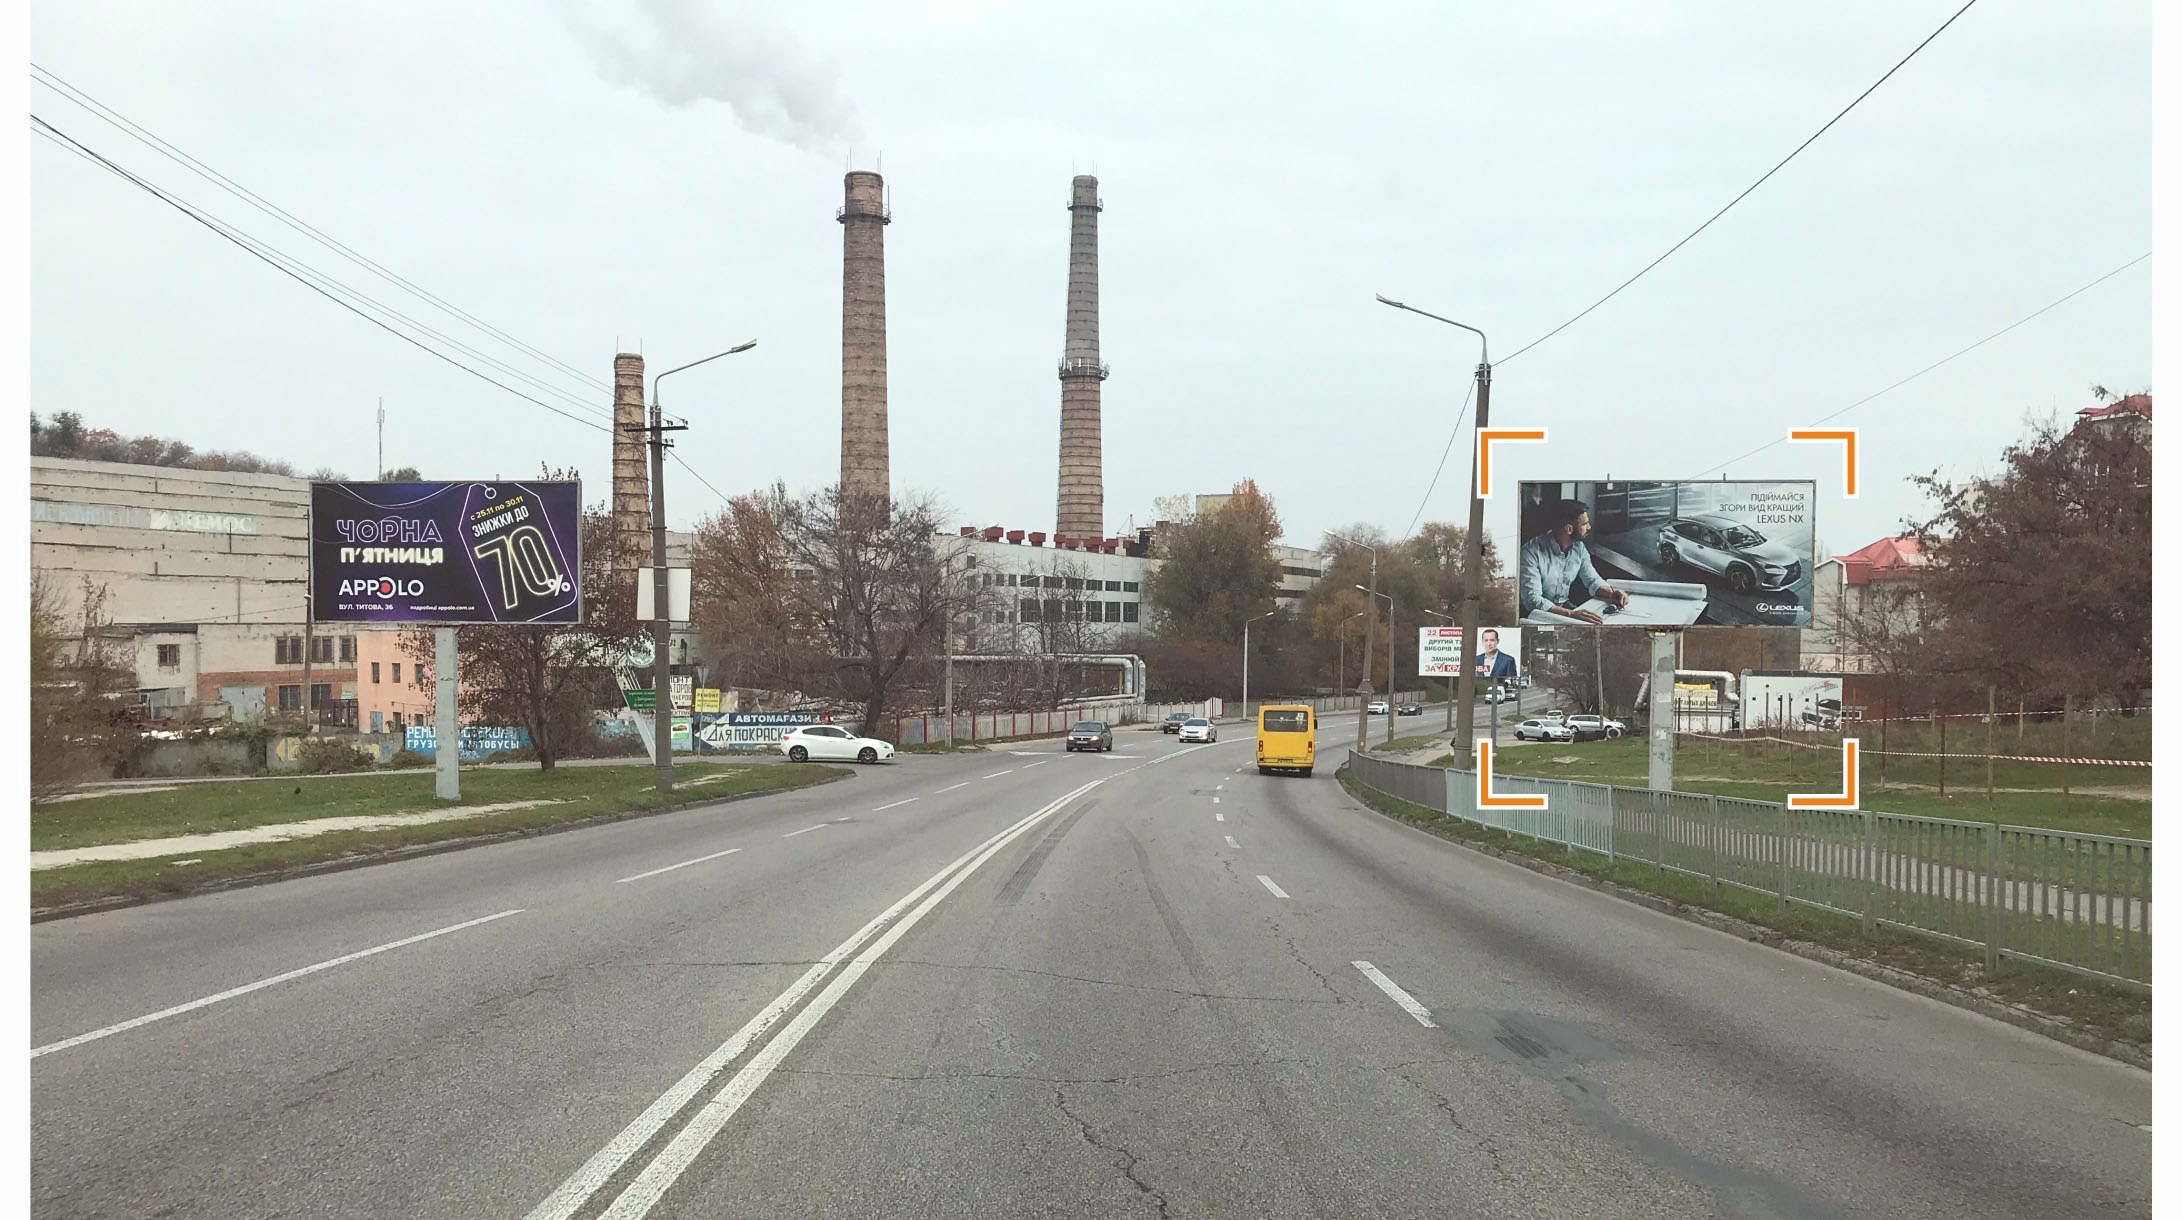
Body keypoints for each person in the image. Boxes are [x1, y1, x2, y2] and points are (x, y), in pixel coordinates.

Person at [1519, 498, 1630, 624]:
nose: (1589, 527)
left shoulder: (1579, 548)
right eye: (1584, 524)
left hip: (1564, 607)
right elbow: (1532, 599)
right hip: (1534, 614)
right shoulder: (1530, 552)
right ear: (1569, 529)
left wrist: (1611, 593)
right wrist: (1571, 614)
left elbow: (1592, 580)